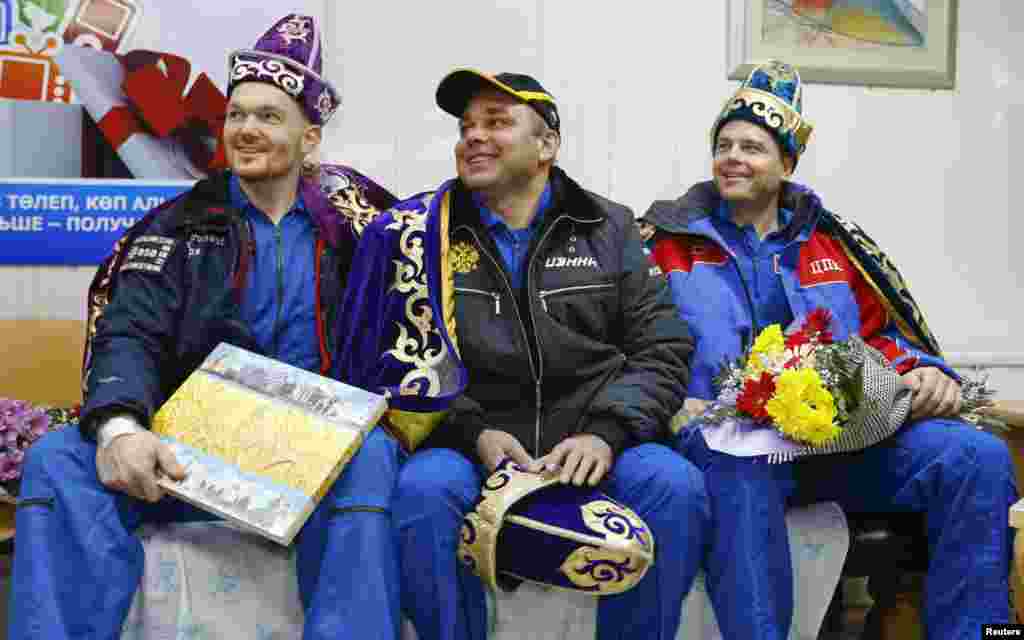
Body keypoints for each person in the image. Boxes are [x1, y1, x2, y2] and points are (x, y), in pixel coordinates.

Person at [9, 15, 406, 640]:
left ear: (311, 138)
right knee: (59, 459)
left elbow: (416, 329)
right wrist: (120, 427)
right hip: (196, 435)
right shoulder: (175, 224)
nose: (245, 129)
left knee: (373, 457)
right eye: (236, 115)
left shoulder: (364, 228)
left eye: (269, 117)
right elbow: (129, 332)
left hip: (320, 439)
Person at [639, 60, 1017, 639]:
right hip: (726, 446)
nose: (733, 157)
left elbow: (885, 336)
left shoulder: (835, 244)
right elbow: (633, 344)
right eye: (724, 144)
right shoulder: (664, 245)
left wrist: (924, 371)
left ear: (787, 163)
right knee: (743, 466)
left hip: (836, 444)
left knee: (977, 458)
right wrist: (672, 406)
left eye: (753, 147)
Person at [336, 68, 709, 640]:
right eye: (466, 127)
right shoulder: (421, 234)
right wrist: (473, 433)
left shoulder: (609, 226)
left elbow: (663, 346)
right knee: (423, 492)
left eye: (497, 123)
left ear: (547, 146)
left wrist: (606, 433)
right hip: (474, 443)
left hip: (594, 439)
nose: (474, 137)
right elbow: (397, 361)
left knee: (675, 487)